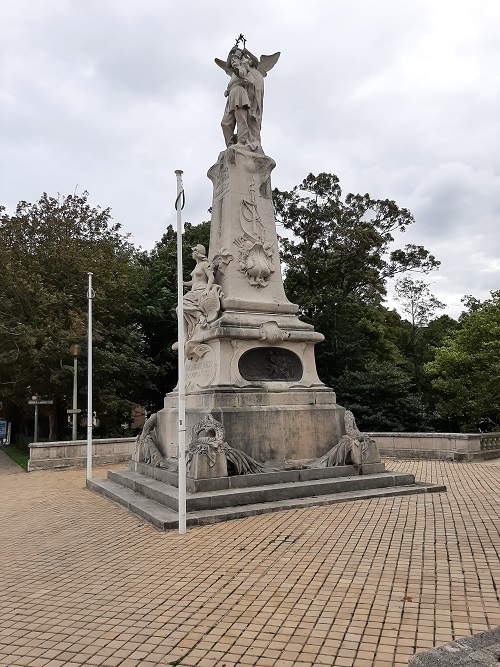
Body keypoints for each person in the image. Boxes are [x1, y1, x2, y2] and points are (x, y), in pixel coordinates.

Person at [180, 245, 223, 347]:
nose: (192, 253)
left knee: (181, 303)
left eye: (193, 251)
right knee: (179, 310)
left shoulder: (205, 264)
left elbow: (211, 277)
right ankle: (185, 336)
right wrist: (184, 283)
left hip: (201, 290)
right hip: (194, 291)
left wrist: (207, 289)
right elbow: (194, 281)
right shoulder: (196, 266)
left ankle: (199, 315)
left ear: (197, 253)